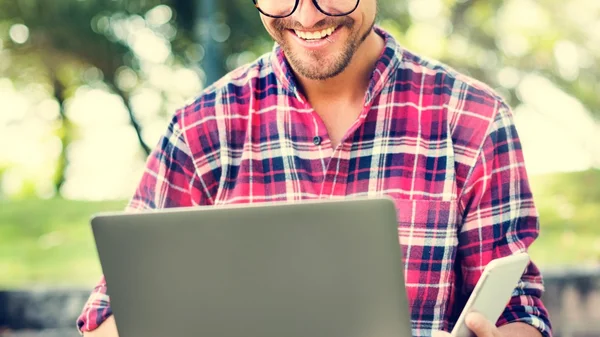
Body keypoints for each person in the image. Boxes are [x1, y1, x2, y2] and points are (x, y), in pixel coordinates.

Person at [76, 0, 553, 336]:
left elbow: (519, 310)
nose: (306, 16)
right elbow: (110, 315)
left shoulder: (473, 118)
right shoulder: (203, 126)